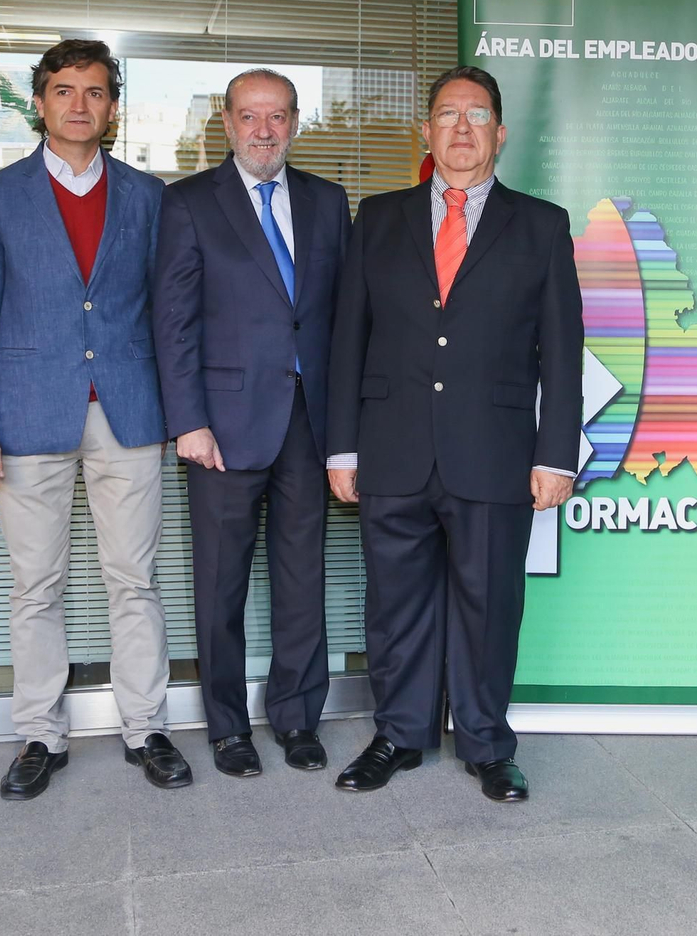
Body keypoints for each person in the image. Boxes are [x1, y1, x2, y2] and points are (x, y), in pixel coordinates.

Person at [325, 65, 583, 801]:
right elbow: (350, 339)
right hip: (393, 444)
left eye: (477, 115)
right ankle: (400, 734)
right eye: (447, 115)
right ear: (427, 132)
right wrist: (343, 446)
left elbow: (562, 349)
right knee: (395, 602)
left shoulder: (541, 224)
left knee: (489, 601)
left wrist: (555, 454)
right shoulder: (377, 219)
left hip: (494, 450)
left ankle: (485, 741)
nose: (462, 128)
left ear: (500, 133)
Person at [0, 39, 192, 797]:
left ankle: (145, 726)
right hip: (26, 413)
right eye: (64, 90)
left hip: (129, 411)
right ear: (41, 102)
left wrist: (182, 413)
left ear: (112, 107)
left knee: (135, 580)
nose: (79, 104)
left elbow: (168, 313)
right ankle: (38, 735)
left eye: (94, 91)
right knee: (36, 586)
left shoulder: (150, 196)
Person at [153, 69, 351, 777]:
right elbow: (172, 324)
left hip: (310, 422)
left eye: (277, 115)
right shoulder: (189, 204)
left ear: (295, 122)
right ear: (227, 125)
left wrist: (348, 430)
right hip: (223, 426)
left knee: (304, 578)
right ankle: (228, 727)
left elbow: (343, 319)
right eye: (248, 116)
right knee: (221, 584)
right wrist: (189, 422)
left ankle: (298, 716)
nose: (263, 129)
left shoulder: (329, 203)